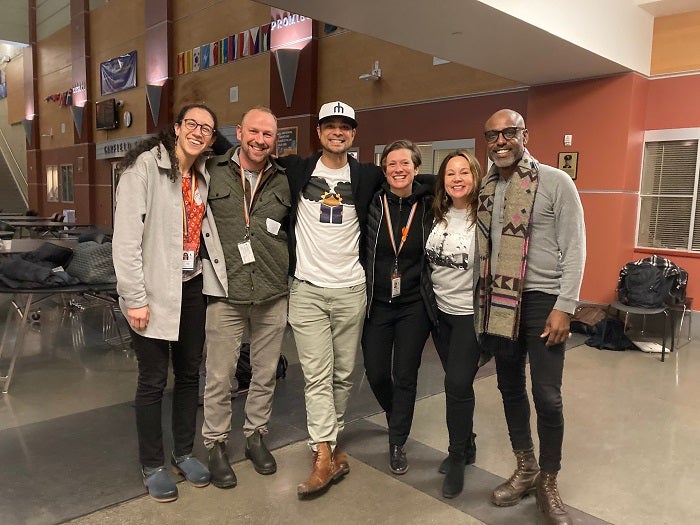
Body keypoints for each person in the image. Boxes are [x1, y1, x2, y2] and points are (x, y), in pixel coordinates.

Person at [476, 109, 585, 525]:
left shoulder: (556, 182)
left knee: (547, 396)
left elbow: (575, 248)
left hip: (543, 299)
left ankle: (549, 480)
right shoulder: (487, 187)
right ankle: (526, 467)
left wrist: (565, 305)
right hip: (500, 301)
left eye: (509, 132)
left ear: (525, 134)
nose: (500, 141)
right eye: (492, 135)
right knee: (509, 387)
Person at [277, 101, 384, 498]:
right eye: (329, 126)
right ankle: (323, 455)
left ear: (354, 134)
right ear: (318, 133)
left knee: (343, 373)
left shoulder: (367, 175)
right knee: (317, 374)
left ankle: (330, 443)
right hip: (306, 289)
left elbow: (410, 178)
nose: (337, 132)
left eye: (345, 127)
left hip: (351, 289)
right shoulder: (297, 169)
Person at [112, 103, 218, 502]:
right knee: (153, 379)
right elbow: (124, 242)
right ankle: (153, 463)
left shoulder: (202, 176)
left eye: (206, 128)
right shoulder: (143, 170)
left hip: (191, 287)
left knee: (190, 374)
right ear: (176, 128)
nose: (199, 132)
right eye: (192, 124)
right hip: (152, 290)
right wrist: (135, 298)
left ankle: (185, 452)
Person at [200, 106, 290, 488]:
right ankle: (216, 444)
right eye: (254, 132)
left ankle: (256, 436)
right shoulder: (210, 171)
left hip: (272, 290)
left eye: (268, 134)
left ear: (275, 139)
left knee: (265, 373)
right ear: (239, 132)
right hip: (226, 291)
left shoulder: (286, 178)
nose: (260, 140)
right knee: (220, 377)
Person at [362, 139, 435, 476]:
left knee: (405, 374)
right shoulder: (372, 202)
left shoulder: (430, 203)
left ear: (417, 169)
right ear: (384, 169)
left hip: (413, 305)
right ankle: (396, 414)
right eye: (392, 164)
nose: (399, 169)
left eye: (406, 163)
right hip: (376, 302)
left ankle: (397, 441)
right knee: (377, 372)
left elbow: (451, 180)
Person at [426, 149, 483, 498]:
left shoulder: (485, 218)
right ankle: (470, 441)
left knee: (456, 384)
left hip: (469, 317)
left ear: (476, 178)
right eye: (450, 173)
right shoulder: (436, 213)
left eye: (464, 172)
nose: (457, 178)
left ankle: (457, 455)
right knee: (459, 386)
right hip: (439, 314)